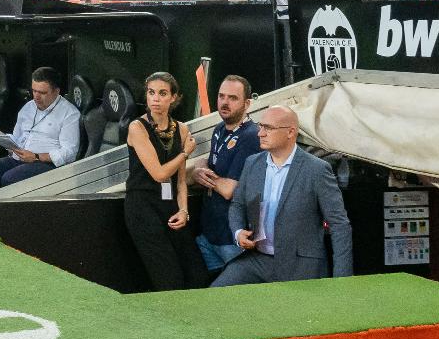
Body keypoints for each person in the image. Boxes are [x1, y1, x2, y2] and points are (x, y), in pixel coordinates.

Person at [212, 106, 353, 287]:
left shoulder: (316, 170)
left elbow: (339, 225)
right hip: (257, 259)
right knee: (217, 292)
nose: (260, 133)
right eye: (260, 126)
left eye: (268, 128)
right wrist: (238, 232)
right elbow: (238, 204)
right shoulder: (252, 163)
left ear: (290, 132)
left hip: (301, 265)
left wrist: (343, 281)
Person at [123, 72, 208, 291]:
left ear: (173, 98)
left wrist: (184, 211)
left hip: (169, 206)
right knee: (169, 277)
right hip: (142, 206)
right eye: (151, 93)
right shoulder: (137, 128)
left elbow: (180, 180)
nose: (155, 99)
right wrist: (185, 154)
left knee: (196, 272)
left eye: (162, 93)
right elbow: (160, 174)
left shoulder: (181, 128)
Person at [0, 67, 81, 190]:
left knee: (9, 178)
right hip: (19, 159)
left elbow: (69, 153)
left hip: (47, 165)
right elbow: (18, 139)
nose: (36, 96)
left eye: (42, 93)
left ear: (56, 91)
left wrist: (36, 156)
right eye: (34, 91)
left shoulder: (69, 113)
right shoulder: (28, 107)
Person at [190, 75, 260, 275]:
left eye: (232, 98)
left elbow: (229, 189)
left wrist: (202, 174)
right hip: (210, 234)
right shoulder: (219, 129)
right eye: (221, 96)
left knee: (239, 297)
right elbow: (212, 167)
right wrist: (200, 166)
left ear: (247, 103)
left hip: (233, 238)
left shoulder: (251, 136)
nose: (225, 102)